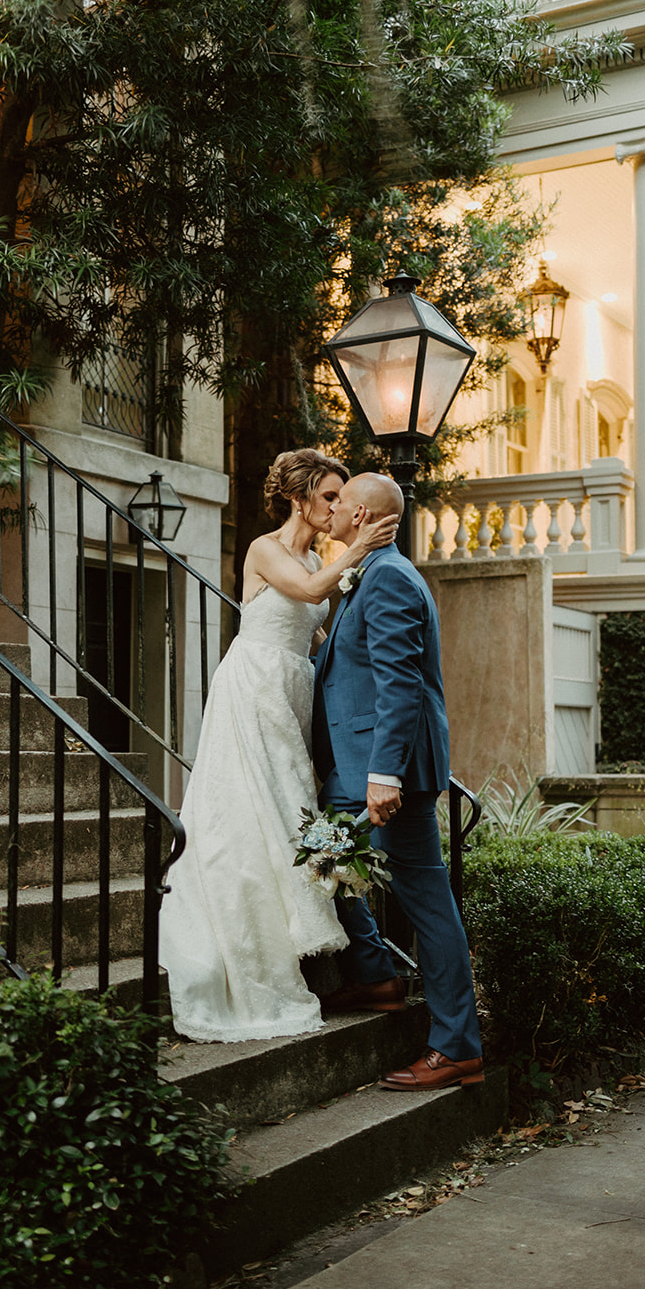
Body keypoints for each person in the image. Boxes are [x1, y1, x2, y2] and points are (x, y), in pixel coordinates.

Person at [159, 449, 399, 1043]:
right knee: (265, 808)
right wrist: (364, 544)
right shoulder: (266, 548)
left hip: (295, 686)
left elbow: (314, 625)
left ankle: (329, 950)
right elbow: (310, 588)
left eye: (343, 499)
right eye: (328, 497)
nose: (338, 507)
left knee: (291, 807)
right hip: (256, 685)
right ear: (299, 498)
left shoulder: (320, 555)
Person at [312, 472, 485, 1090]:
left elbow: (401, 684)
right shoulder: (368, 575)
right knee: (323, 858)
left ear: (360, 515)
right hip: (351, 768)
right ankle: (374, 972)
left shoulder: (387, 578)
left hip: (388, 775)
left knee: (428, 905)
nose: (328, 510)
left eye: (339, 502)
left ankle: (457, 1046)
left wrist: (385, 774)